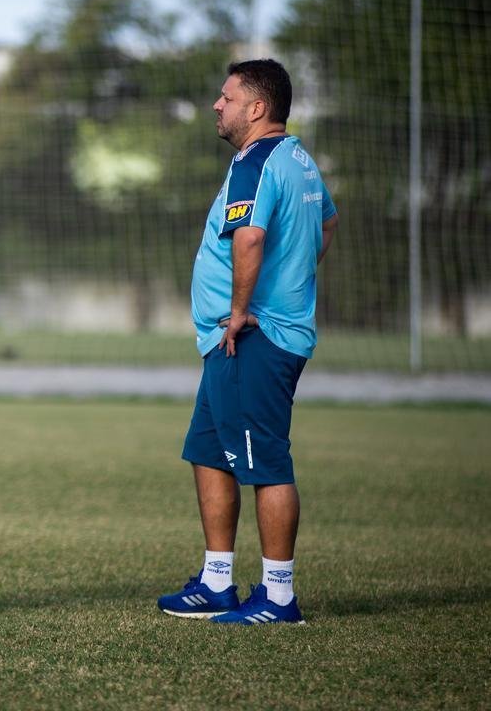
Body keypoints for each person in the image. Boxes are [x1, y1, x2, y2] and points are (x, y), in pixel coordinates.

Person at [157, 59, 339, 625]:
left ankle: (278, 596)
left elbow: (251, 236)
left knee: (266, 463)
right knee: (209, 453)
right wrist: (293, 279)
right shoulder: (298, 159)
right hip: (231, 341)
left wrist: (242, 312)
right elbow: (327, 224)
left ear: (257, 108)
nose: (218, 104)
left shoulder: (256, 161)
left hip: (253, 339)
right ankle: (217, 582)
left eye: (227, 96)